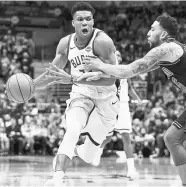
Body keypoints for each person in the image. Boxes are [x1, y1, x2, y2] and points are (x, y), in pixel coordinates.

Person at [74, 15, 186, 186]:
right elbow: (128, 72)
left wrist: (99, 64)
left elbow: (128, 70)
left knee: (172, 138)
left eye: (152, 29)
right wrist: (95, 73)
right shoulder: (167, 54)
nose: (148, 33)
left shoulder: (165, 49)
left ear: (164, 34)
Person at [33, 2, 120, 186]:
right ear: (73, 23)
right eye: (80, 19)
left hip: (106, 99)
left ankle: (75, 151)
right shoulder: (66, 43)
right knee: (72, 129)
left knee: (88, 156)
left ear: (93, 21)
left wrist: (73, 79)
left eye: (88, 19)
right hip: (81, 95)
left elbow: (113, 79)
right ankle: (57, 179)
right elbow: (53, 71)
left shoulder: (103, 42)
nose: (84, 23)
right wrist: (32, 87)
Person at [90, 50, 141, 179]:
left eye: (119, 55)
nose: (117, 56)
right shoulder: (105, 70)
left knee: (126, 136)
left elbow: (129, 88)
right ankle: (98, 151)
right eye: (115, 54)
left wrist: (138, 99)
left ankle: (131, 169)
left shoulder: (126, 71)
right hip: (109, 104)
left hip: (123, 105)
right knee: (107, 136)